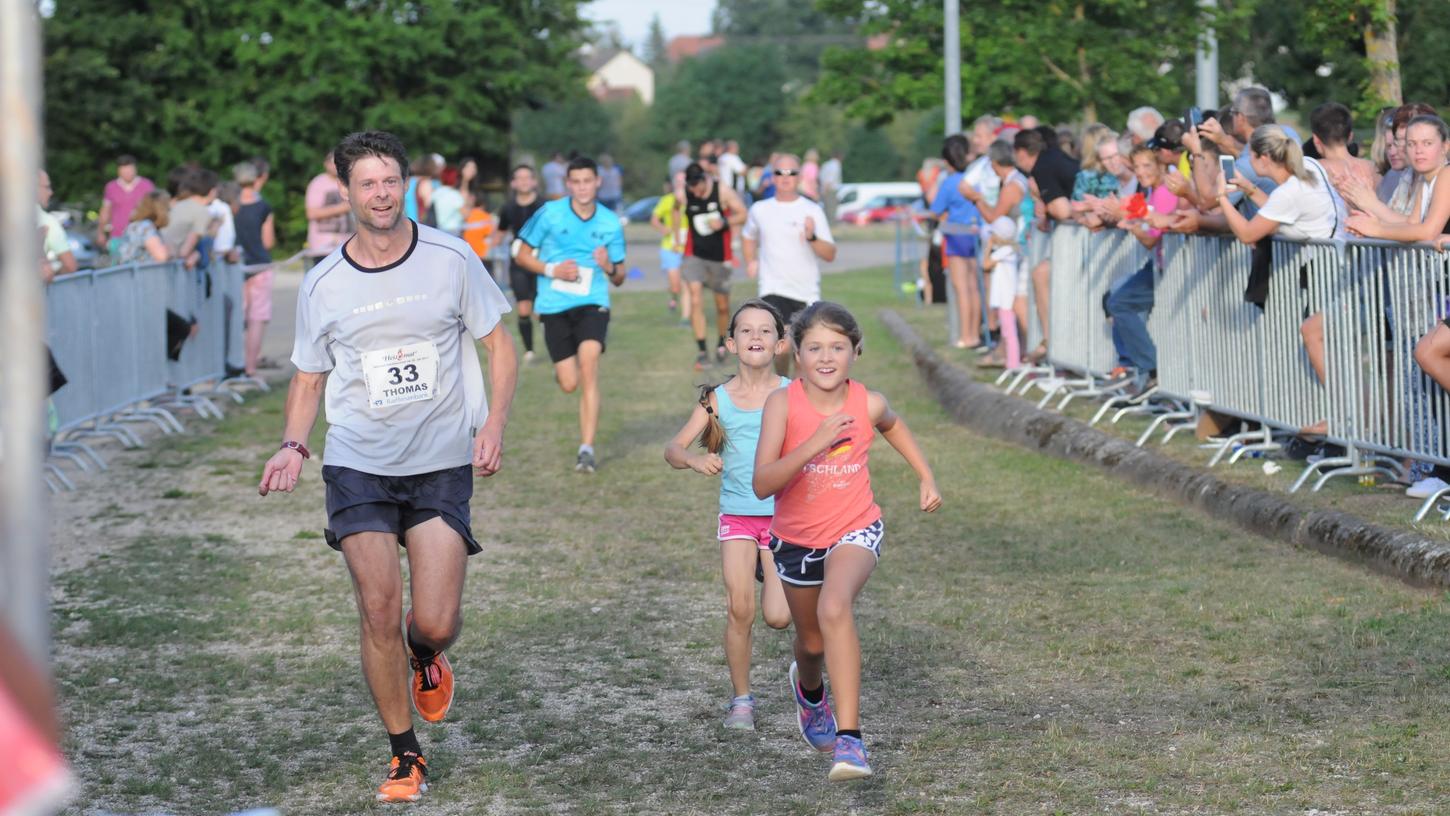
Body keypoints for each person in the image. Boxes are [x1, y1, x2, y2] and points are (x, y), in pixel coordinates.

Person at [257, 130, 517, 805]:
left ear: (407, 185)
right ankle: (406, 754)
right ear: (345, 191)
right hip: (357, 463)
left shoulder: (451, 258)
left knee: (431, 620)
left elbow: (500, 344)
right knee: (378, 609)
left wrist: (492, 424)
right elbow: (309, 379)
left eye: (390, 181)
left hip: (439, 463)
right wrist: (291, 443)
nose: (380, 194)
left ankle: (426, 655)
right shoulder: (324, 283)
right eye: (367, 183)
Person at [753, 302, 941, 781]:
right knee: (811, 644)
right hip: (795, 541)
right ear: (796, 355)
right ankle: (810, 692)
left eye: (837, 346)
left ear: (856, 351)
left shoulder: (867, 402)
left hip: (855, 527)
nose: (826, 356)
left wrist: (925, 476)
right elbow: (763, 483)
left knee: (835, 607)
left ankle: (851, 741)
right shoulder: (782, 404)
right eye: (814, 347)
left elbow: (892, 423)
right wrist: (814, 443)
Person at [664, 299, 793, 731]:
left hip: (784, 519)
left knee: (778, 616)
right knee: (741, 610)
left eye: (765, 330)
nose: (755, 336)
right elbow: (673, 448)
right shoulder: (717, 400)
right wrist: (694, 461)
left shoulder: (793, 393)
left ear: (780, 343)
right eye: (746, 331)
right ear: (731, 343)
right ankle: (742, 701)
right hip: (737, 517)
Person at [1216, 125, 1346, 433]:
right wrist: (1248, 189)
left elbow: (1249, 232)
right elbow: (1279, 212)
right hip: (1335, 267)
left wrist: (1222, 197)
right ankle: (1346, 416)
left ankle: (1345, 416)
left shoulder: (1289, 192)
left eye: (1250, 156)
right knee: (1323, 340)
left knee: (1314, 334)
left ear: (1262, 159)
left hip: (1332, 272)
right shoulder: (1308, 169)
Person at [512, 156, 628, 473]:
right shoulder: (550, 213)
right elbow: (519, 253)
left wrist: (607, 266)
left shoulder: (609, 222)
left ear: (597, 182)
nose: (582, 188)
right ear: (567, 184)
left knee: (589, 364)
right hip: (554, 306)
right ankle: (563, 372)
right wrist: (552, 269)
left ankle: (586, 449)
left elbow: (620, 276)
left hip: (593, 301)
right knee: (569, 383)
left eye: (587, 181)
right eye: (575, 182)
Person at [742, 154, 837, 375]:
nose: (785, 178)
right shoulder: (760, 209)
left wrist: (812, 237)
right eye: (780, 173)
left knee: (801, 354)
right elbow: (748, 236)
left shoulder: (812, 210)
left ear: (800, 177)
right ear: (772, 177)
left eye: (791, 173)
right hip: (772, 287)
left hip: (805, 291)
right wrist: (751, 260)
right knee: (782, 348)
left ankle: (794, 395)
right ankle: (783, 384)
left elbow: (830, 254)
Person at [1104, 145, 1185, 394]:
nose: (1140, 172)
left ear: (1161, 165)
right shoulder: (1153, 191)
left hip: (1169, 267)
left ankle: (1150, 369)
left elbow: (1151, 238)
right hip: (1160, 265)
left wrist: (1129, 223)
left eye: (1147, 166)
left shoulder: (1163, 193)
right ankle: (1141, 368)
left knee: (1119, 301)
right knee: (1115, 299)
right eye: (1136, 166)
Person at [1014, 127, 1080, 362]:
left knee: (1041, 273)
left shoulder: (1042, 167)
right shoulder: (1054, 158)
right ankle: (1052, 342)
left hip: (1082, 238)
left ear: (1021, 153)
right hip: (1082, 237)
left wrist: (1047, 212)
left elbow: (1061, 210)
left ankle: (1051, 341)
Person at [682, 159, 748, 370]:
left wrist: (725, 222)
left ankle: (721, 342)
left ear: (705, 180)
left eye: (698, 187)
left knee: (722, 306)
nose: (696, 192)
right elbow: (674, 208)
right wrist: (675, 234)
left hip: (720, 256)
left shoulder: (722, 192)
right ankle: (702, 351)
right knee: (695, 299)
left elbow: (743, 214)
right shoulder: (684, 193)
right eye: (691, 188)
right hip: (695, 256)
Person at [929, 135, 983, 350]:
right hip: (976, 234)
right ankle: (976, 334)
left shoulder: (950, 182)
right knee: (974, 288)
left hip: (956, 236)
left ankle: (966, 335)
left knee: (962, 288)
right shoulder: (974, 179)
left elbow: (935, 210)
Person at [496, 165, 546, 364]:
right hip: (518, 263)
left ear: (534, 181)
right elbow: (500, 232)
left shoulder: (545, 206)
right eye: (520, 178)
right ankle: (529, 351)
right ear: (514, 183)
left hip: (541, 262)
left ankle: (555, 341)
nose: (524, 182)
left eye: (528, 178)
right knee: (524, 309)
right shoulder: (507, 208)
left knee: (541, 309)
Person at [234, 161, 277, 377]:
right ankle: (251, 366)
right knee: (257, 318)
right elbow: (268, 241)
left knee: (237, 316)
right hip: (260, 264)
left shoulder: (230, 205)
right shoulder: (263, 206)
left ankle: (233, 362)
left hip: (236, 267)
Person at [979, 216, 1023, 369]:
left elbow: (985, 265)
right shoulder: (1009, 250)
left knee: (1009, 334)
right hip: (1005, 299)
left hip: (1006, 300)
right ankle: (1011, 361)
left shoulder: (1005, 251)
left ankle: (1013, 364)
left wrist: (988, 246)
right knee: (1007, 333)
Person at [651, 172, 691, 321]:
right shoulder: (667, 200)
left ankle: (685, 318)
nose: (681, 184)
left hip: (688, 248)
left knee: (686, 283)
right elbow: (654, 220)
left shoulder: (693, 201)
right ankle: (673, 296)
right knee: (676, 285)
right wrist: (663, 229)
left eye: (684, 181)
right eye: (678, 182)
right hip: (670, 247)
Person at [97, 155, 155, 256]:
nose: (127, 173)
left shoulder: (146, 185)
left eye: (129, 170)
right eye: (124, 171)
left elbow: (155, 209)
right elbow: (105, 211)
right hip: (118, 235)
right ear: (118, 171)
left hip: (142, 236)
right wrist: (101, 232)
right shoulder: (111, 187)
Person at [305, 150, 354, 266]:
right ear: (326, 164)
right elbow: (311, 213)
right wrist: (343, 208)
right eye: (333, 162)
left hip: (348, 245)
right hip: (324, 248)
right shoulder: (318, 183)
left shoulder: (350, 181)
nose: (336, 166)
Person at [160, 166, 213, 271]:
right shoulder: (200, 210)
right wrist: (198, 254)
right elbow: (184, 252)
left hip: (163, 261)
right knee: (207, 241)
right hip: (171, 263)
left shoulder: (175, 205)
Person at [37, 170, 77, 278]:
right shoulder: (47, 221)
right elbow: (70, 266)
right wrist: (51, 275)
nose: (51, 192)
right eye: (46, 187)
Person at [115, 190, 173, 264]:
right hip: (138, 274)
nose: (170, 210)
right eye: (167, 207)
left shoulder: (137, 225)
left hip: (130, 273)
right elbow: (161, 256)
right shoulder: (145, 227)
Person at [429, 166, 466, 235]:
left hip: (438, 229)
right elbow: (465, 214)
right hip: (454, 231)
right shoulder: (455, 194)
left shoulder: (436, 192)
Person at [404, 155, 436, 225]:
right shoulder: (425, 183)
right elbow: (429, 205)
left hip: (406, 223)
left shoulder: (408, 181)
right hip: (420, 225)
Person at [819, 150, 843, 222]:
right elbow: (830, 179)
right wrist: (826, 189)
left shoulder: (826, 164)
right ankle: (832, 224)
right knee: (831, 209)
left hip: (824, 188)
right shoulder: (836, 164)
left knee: (826, 208)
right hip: (830, 189)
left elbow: (821, 177)